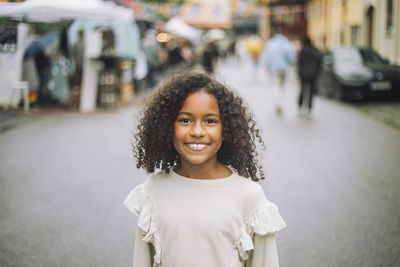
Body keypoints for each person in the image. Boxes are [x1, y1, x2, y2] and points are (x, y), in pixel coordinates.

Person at [124, 72, 286, 267]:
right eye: (185, 120)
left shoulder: (249, 196)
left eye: (210, 121)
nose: (197, 131)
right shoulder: (152, 191)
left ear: (226, 129)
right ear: (167, 127)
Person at [260, 32, 296, 114]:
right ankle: (281, 102)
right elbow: (291, 57)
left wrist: (268, 68)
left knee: (276, 86)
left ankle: (278, 102)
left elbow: (267, 57)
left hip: (274, 69)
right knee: (282, 86)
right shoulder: (287, 44)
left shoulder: (270, 44)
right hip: (285, 68)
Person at [297, 36, 321, 116]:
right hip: (312, 74)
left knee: (302, 90)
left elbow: (299, 62)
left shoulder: (303, 50)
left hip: (303, 74)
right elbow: (319, 62)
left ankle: (300, 106)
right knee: (311, 91)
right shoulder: (315, 50)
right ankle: (309, 108)